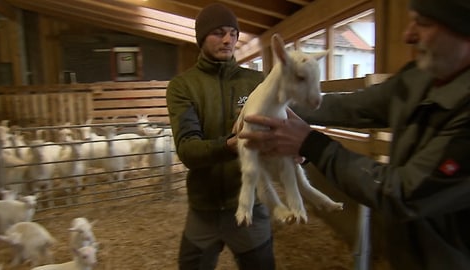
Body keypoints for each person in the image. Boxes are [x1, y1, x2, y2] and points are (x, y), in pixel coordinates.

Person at [238, 0, 470, 269]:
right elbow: (354, 107)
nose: (408, 35)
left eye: (425, 23)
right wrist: (263, 111)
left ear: (463, 30)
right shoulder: (421, 78)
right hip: (411, 252)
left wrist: (311, 144)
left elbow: (403, 193)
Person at [165, 3, 276, 270]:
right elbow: (188, 150)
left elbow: (280, 125)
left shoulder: (257, 82)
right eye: (218, 33)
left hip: (250, 206)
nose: (228, 39)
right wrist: (229, 146)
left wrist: (299, 149)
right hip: (205, 209)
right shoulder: (183, 86)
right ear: (201, 37)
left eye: (233, 33)